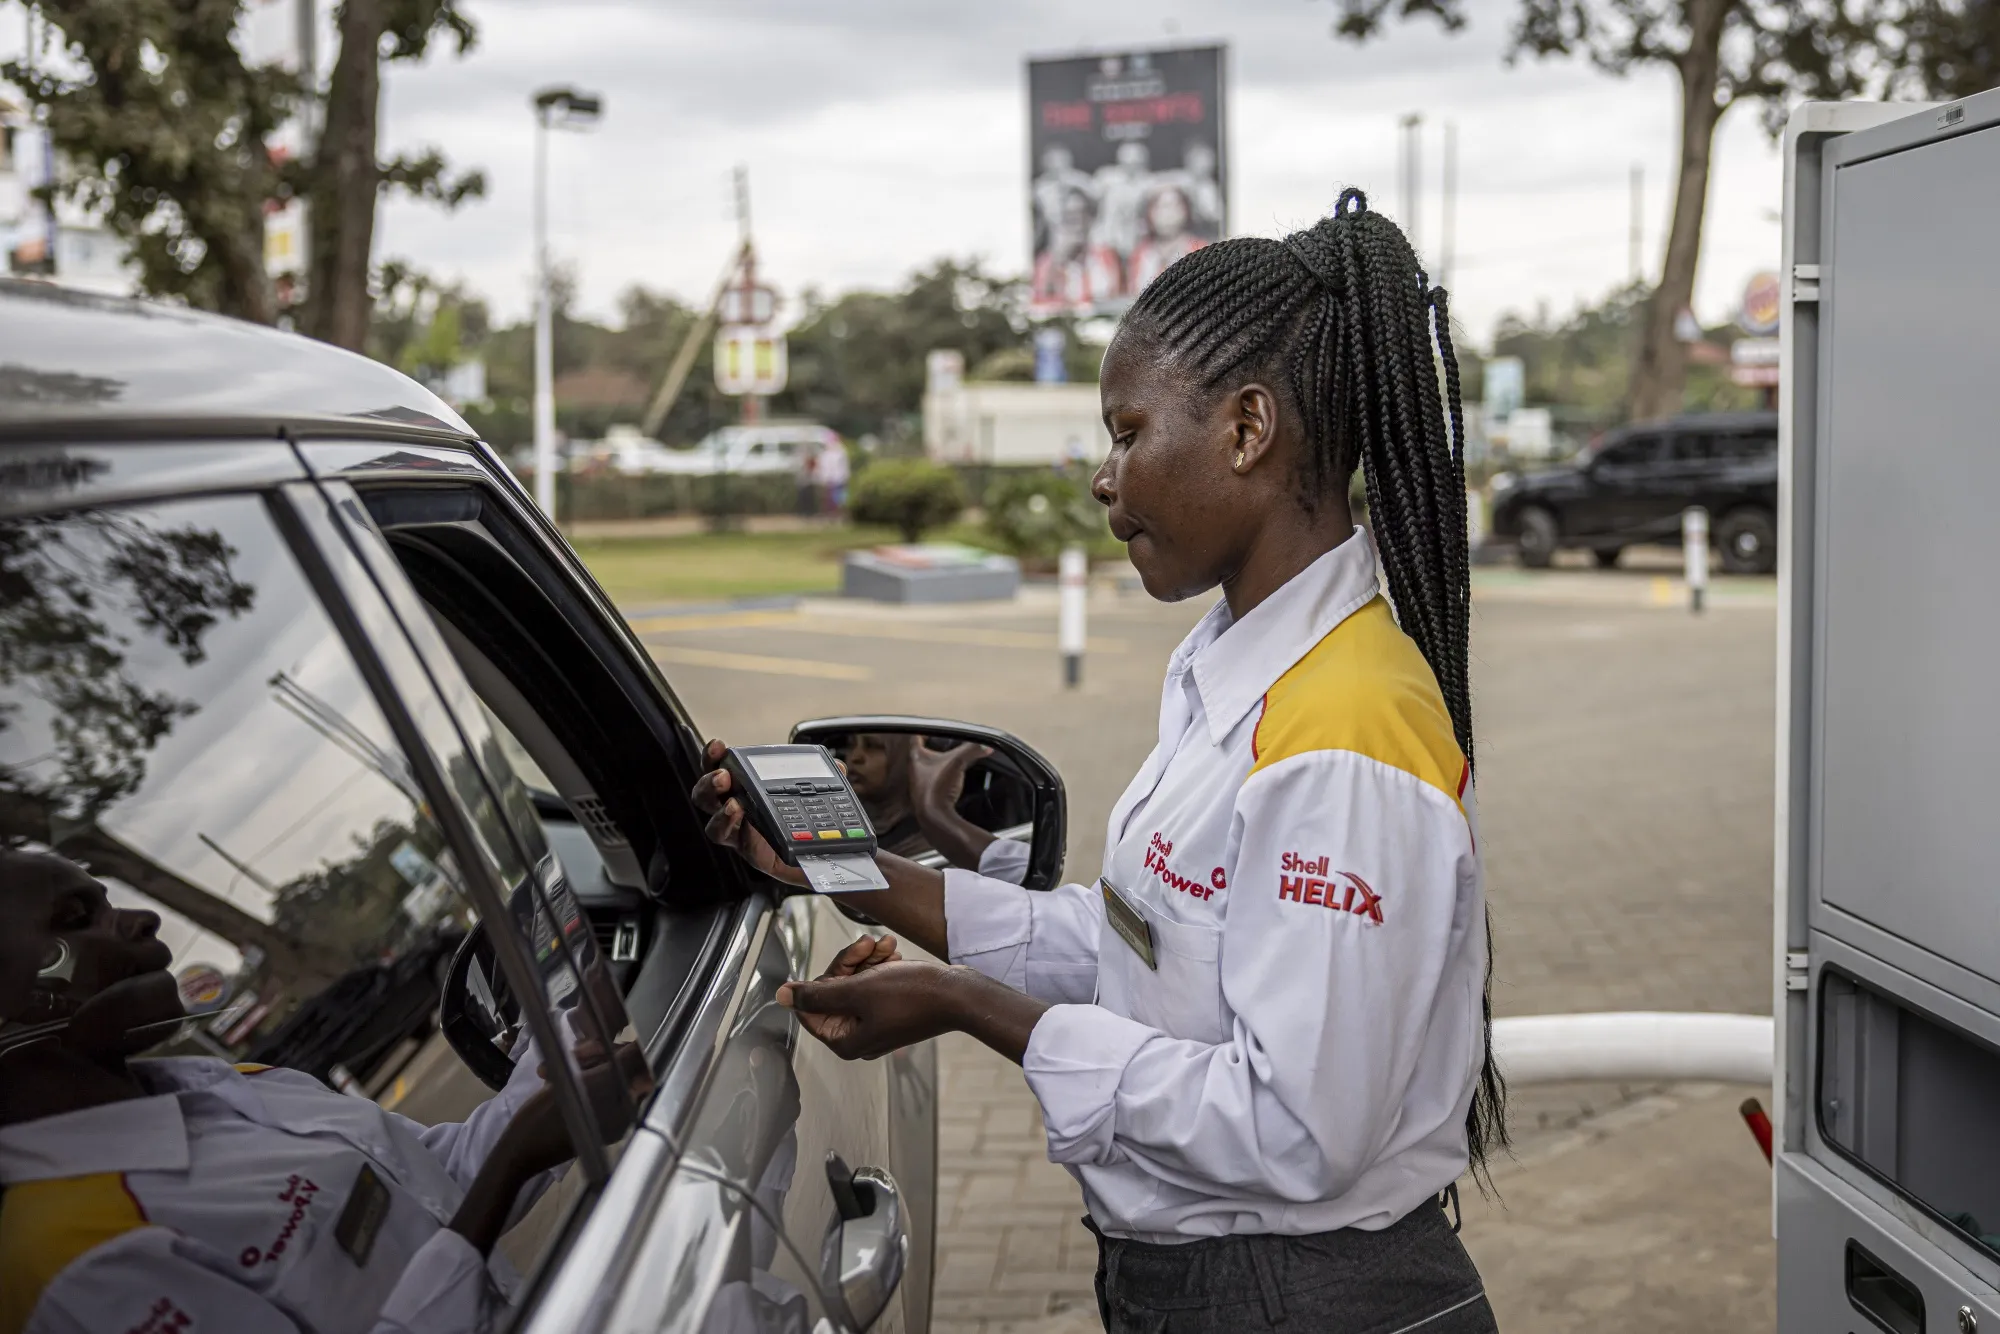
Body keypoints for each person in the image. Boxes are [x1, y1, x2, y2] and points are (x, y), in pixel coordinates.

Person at [697, 189, 1502, 1332]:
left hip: (1306, 1296)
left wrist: (969, 1005)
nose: (1102, 475)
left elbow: (1296, 1130)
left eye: (1127, 432)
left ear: (1246, 428)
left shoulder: (1345, 728)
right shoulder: (1233, 670)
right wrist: (847, 866)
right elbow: (1141, 945)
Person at [0, 848, 648, 1334]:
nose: (139, 917)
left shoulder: (232, 1088)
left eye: (111, 900)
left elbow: (435, 1184)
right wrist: (508, 1168)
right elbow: (476, 1198)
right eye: (77, 917)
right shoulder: (65, 1257)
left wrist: (570, 1034)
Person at [1031, 187, 1124, 315]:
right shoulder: (1047, 262)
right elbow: (1038, 303)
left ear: (1091, 218)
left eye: (1082, 214)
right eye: (1070, 217)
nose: (1077, 223)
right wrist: (1058, 261)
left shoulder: (1107, 256)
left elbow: (1119, 300)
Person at [1125, 184, 1209, 294]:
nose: (1167, 213)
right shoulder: (1139, 254)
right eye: (1161, 206)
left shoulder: (1200, 249)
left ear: (1185, 210)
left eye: (1174, 205)